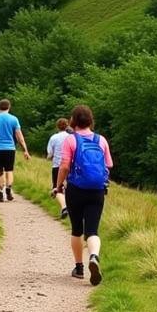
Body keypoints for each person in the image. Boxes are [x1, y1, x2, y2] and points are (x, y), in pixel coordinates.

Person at [54, 104, 112, 285]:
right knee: (93, 230)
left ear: (73, 121)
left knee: (77, 229)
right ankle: (94, 256)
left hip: (76, 190)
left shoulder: (71, 140)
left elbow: (64, 166)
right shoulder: (101, 140)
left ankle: (79, 268)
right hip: (96, 190)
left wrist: (58, 186)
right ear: (90, 120)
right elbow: (108, 165)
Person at [0, 99, 29, 202]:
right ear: (9, 107)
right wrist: (25, 149)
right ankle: (8, 190)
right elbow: (19, 136)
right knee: (9, 170)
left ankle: (0, 193)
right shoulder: (14, 119)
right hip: (10, 148)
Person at [45, 118, 71, 219]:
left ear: (57, 126)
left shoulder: (53, 138)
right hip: (70, 166)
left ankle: (64, 207)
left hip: (57, 166)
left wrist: (48, 158)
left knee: (57, 188)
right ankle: (71, 208)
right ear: (67, 125)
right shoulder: (71, 137)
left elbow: (50, 153)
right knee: (69, 188)